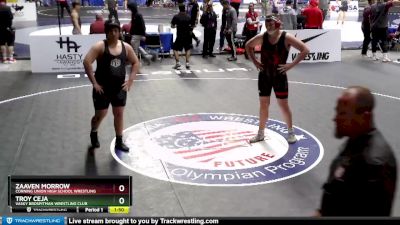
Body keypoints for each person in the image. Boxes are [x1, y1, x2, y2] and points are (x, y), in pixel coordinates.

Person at [315, 86, 397, 216]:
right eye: (337, 111)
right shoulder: (355, 140)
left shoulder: (374, 164)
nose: (335, 118)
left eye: (342, 113)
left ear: (364, 117)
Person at [245, 15, 309, 144]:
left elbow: (305, 50)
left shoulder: (286, 37)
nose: (268, 27)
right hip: (264, 75)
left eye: (271, 24)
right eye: (267, 24)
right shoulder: (263, 37)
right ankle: (260, 133)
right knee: (264, 104)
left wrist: (290, 65)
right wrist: (255, 62)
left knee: (283, 105)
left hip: (279, 76)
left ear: (277, 24)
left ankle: (290, 132)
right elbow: (248, 45)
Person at [83, 19, 139, 152]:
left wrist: (130, 80)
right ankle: (94, 131)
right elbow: (87, 62)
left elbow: (136, 63)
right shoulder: (99, 46)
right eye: (110, 31)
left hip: (119, 88)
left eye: (116, 30)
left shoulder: (126, 47)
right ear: (106, 32)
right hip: (102, 88)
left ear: (119, 32)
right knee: (100, 114)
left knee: (119, 114)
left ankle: (119, 141)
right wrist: (94, 83)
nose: (113, 33)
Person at [171, 5, 193, 69]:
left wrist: (176, 26)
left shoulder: (176, 16)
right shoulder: (188, 17)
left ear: (179, 9)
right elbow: (192, 26)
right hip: (187, 36)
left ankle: (177, 63)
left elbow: (172, 26)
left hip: (180, 36)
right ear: (185, 9)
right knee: (187, 49)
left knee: (175, 48)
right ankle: (187, 63)